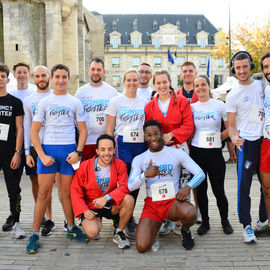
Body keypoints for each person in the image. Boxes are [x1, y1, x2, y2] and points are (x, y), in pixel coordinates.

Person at [26, 64, 88, 254]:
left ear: (68, 78)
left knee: (67, 194)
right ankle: (35, 234)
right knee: (43, 194)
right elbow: (34, 131)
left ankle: (71, 227)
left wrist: (78, 151)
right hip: (48, 151)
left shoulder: (75, 102)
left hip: (69, 151)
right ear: (52, 79)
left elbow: (83, 130)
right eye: (57, 77)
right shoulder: (45, 102)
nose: (61, 80)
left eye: (64, 76)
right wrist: (42, 155)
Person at [128, 120, 205, 252]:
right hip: (152, 206)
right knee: (141, 247)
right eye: (149, 135)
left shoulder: (176, 153)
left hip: (172, 203)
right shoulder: (140, 159)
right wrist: (144, 175)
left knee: (191, 213)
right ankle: (155, 228)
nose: (153, 138)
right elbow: (130, 187)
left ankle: (185, 231)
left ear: (162, 134)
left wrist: (188, 187)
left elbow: (200, 174)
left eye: (156, 133)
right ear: (144, 137)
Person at [144, 70, 194, 235]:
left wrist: (171, 134)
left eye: (164, 82)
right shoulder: (149, 106)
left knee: (182, 186)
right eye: (158, 83)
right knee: (162, 185)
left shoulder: (182, 102)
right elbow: (148, 130)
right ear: (154, 85)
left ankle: (182, 223)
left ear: (170, 82)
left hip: (179, 149)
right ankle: (167, 220)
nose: (162, 86)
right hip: (159, 153)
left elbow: (188, 126)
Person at [226, 51, 267, 243]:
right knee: (244, 187)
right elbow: (231, 125)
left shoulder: (263, 84)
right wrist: (234, 138)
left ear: (250, 65)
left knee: (266, 186)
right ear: (233, 68)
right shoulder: (233, 94)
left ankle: (262, 220)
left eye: (245, 66)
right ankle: (247, 226)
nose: (242, 71)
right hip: (247, 146)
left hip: (265, 142)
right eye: (238, 67)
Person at [70, 134, 134, 249]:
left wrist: (106, 198)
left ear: (114, 150)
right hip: (92, 206)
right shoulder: (84, 166)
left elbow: (124, 187)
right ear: (97, 151)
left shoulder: (120, 164)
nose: (107, 153)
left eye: (110, 149)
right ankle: (96, 222)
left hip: (110, 204)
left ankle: (119, 232)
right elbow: (75, 191)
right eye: (103, 149)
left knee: (129, 199)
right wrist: (84, 210)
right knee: (92, 232)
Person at [106, 69, 148, 239]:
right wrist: (108, 150)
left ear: (139, 82)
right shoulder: (115, 101)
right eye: (128, 80)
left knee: (136, 181)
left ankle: (128, 215)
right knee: (124, 181)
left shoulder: (145, 102)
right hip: (122, 144)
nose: (131, 83)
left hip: (140, 144)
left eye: (134, 80)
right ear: (124, 82)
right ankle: (120, 217)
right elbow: (109, 128)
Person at [190, 75, 233, 236]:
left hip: (215, 152)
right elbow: (189, 129)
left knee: (218, 190)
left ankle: (225, 220)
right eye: (197, 85)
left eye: (203, 84)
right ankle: (205, 222)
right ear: (194, 89)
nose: (200, 88)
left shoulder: (219, 105)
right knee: (201, 190)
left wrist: (218, 137)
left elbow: (230, 127)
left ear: (208, 86)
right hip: (197, 152)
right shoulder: (192, 107)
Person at [23, 65, 60, 236]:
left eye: (44, 75)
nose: (41, 79)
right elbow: (27, 127)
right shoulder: (28, 101)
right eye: (37, 76)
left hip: (55, 145)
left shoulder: (57, 97)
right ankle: (45, 218)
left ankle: (54, 219)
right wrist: (27, 152)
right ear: (33, 77)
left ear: (49, 77)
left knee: (59, 186)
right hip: (35, 147)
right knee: (38, 185)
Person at [75, 58, 118, 161]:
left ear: (103, 72)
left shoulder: (112, 92)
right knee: (87, 174)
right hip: (86, 142)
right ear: (88, 71)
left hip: (106, 143)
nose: (95, 72)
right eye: (93, 69)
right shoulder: (81, 92)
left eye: (98, 70)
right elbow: (75, 117)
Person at [0, 64, 25, 239]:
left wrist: (18, 152)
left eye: (2, 76)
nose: (0, 79)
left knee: (13, 189)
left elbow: (20, 129)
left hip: (9, 152)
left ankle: (16, 223)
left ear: (8, 80)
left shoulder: (15, 102)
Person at [255, 52, 270, 237]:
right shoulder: (265, 90)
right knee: (266, 188)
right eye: (265, 67)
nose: (268, 70)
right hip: (266, 142)